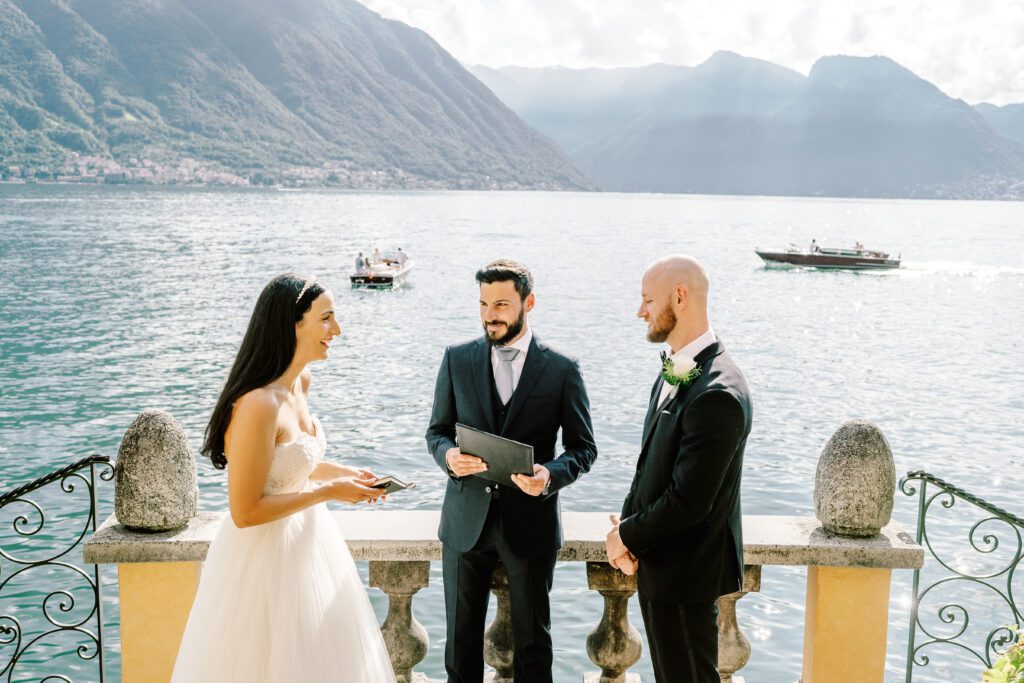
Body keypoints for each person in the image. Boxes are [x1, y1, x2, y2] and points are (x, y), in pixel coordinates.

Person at [171, 274, 396, 683]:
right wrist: (329, 491)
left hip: (310, 545)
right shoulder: (258, 404)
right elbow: (246, 510)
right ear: (293, 324)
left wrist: (348, 475)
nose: (337, 330)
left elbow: (290, 464)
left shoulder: (301, 384)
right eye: (326, 318)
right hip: (262, 560)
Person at [426, 259, 597, 682]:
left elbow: (583, 449)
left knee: (534, 649)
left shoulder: (561, 369)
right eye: (483, 303)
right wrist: (449, 457)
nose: (490, 314)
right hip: (466, 523)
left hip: (531, 524)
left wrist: (550, 476)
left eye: (501, 304)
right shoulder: (457, 358)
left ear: (529, 302)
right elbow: (436, 432)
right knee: (459, 648)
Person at [605, 256, 752, 683]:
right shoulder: (678, 368)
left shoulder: (718, 391)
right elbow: (649, 464)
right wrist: (627, 535)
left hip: (687, 574)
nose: (640, 312)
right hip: (660, 566)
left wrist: (626, 535)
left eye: (647, 300)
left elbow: (689, 501)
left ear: (680, 297)